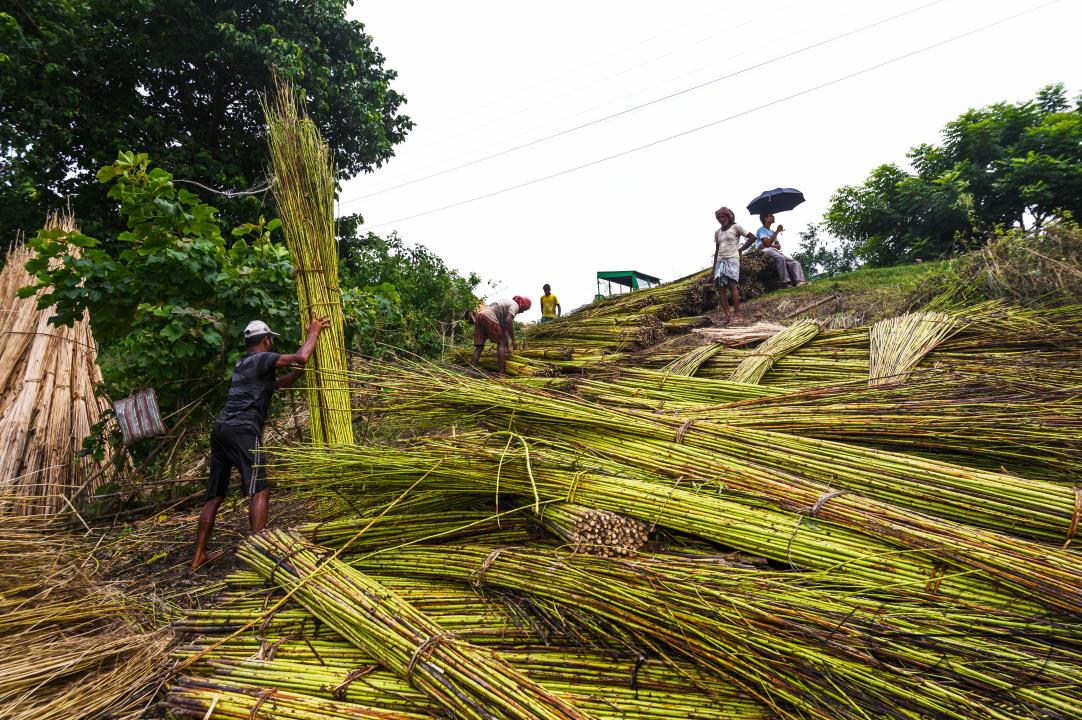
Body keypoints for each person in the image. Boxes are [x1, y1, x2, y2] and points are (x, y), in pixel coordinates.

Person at [190, 317, 329, 571]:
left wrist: (299, 372)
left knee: (215, 496)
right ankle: (258, 555)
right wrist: (314, 333)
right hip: (242, 431)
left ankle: (198, 556)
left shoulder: (243, 364)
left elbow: (279, 383)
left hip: (221, 429)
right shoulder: (262, 358)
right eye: (271, 340)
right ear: (266, 340)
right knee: (260, 489)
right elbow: (302, 357)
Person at [469, 295, 531, 375]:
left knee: (479, 347)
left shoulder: (505, 304)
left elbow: (504, 330)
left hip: (479, 316)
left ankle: (470, 373)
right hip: (489, 316)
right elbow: (508, 321)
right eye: (524, 310)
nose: (522, 312)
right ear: (522, 306)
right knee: (501, 343)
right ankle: (502, 373)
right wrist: (513, 340)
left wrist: (508, 347)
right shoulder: (515, 305)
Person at [713, 207, 755, 324]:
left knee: (733, 286)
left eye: (724, 216)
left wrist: (741, 249)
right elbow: (717, 250)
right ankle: (727, 315)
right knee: (721, 289)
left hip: (732, 259)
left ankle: (737, 314)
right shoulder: (718, 232)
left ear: (729, 216)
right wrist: (714, 268)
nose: (721, 219)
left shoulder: (736, 227)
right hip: (720, 261)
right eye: (719, 217)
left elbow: (752, 237)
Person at [743, 213, 806, 287]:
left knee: (795, 262)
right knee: (780, 258)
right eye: (770, 216)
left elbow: (779, 246)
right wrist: (777, 231)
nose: (773, 217)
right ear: (765, 218)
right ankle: (785, 283)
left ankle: (799, 281)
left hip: (774, 251)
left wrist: (771, 242)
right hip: (765, 251)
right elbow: (767, 244)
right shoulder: (761, 230)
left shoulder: (772, 232)